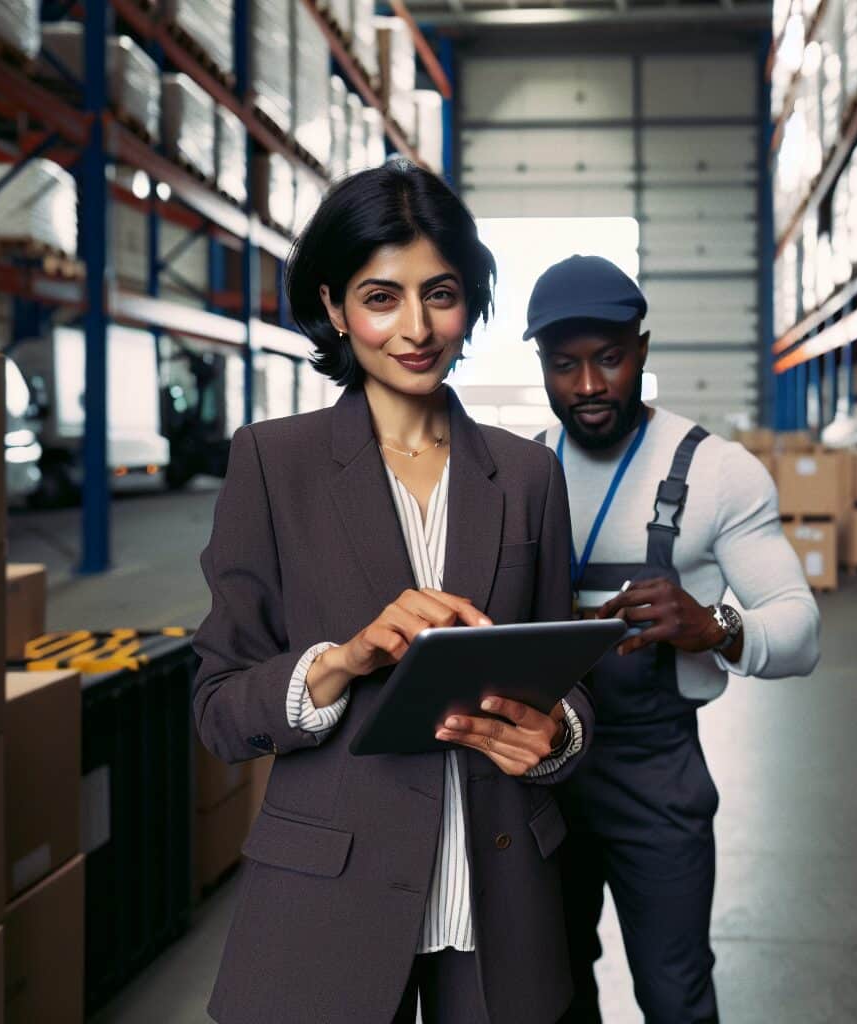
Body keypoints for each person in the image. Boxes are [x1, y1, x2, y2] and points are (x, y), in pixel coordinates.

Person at [192, 162, 595, 1024]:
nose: (416, 329)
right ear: (335, 308)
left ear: (470, 302)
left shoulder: (528, 474)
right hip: (331, 894)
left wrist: (556, 736)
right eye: (382, 298)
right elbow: (219, 709)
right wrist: (340, 663)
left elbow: (565, 681)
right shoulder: (274, 463)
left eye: (440, 294)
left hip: (497, 891)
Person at [527, 255, 823, 1023]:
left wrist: (714, 626)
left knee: (674, 990)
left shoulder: (717, 472)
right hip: (540, 767)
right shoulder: (522, 471)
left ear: (643, 350)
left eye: (609, 358)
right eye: (564, 365)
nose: (588, 385)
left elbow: (800, 631)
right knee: (551, 989)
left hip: (654, 775)